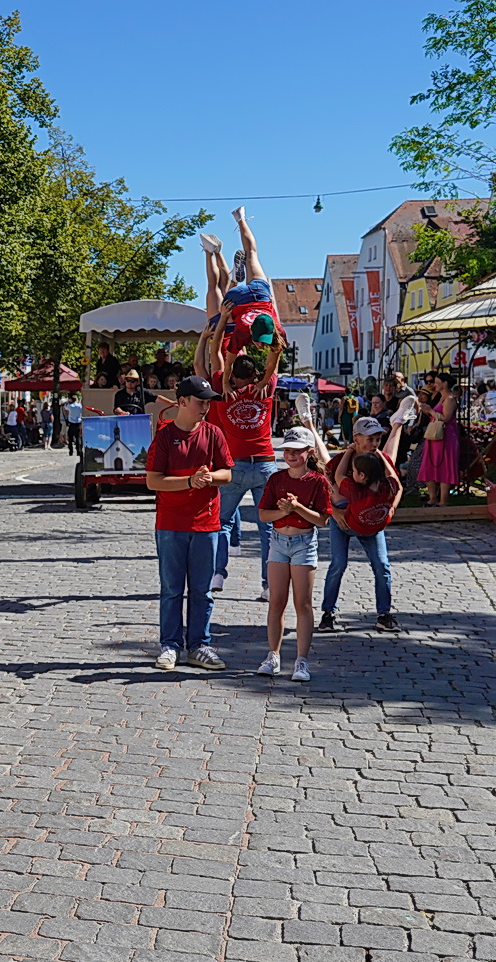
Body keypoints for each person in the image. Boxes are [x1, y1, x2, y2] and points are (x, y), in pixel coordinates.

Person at [196, 303, 287, 600]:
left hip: (234, 469)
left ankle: (218, 574)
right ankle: (267, 585)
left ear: (232, 376)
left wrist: (221, 322)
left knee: (220, 524)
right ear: (256, 374)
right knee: (267, 531)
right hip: (264, 466)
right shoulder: (264, 390)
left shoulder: (224, 392)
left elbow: (214, 357)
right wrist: (271, 329)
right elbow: (275, 356)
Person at [144, 375, 232, 672]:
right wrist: (190, 481)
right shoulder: (165, 437)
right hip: (170, 524)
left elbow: (227, 474)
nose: (206, 407)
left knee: (202, 590)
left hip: (207, 524)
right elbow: (153, 481)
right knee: (171, 589)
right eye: (200, 402)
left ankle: (199, 645)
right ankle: (170, 645)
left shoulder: (214, 434)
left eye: (208, 402)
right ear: (182, 402)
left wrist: (209, 478)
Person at [319, 418, 407, 634]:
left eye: (378, 439)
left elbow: (396, 485)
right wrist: (334, 511)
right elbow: (325, 485)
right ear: (356, 439)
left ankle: (384, 614)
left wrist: (391, 508)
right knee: (338, 564)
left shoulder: (380, 460)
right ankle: (328, 613)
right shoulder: (342, 461)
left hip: (370, 525)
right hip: (343, 522)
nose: (374, 443)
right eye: (369, 439)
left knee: (382, 566)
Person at [256, 428, 329, 683]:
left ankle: (301, 660)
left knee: (303, 603)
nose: (291, 455)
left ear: (309, 453)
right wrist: (284, 511)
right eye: (287, 450)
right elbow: (264, 515)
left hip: (304, 543)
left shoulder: (318, 481)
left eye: (297, 451)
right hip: (277, 541)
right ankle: (273, 655)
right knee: (276, 601)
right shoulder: (276, 479)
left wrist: (297, 507)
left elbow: (322, 520)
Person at [199, 208, 284, 357]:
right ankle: (210, 251)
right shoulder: (234, 355)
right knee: (214, 287)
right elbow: (215, 355)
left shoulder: (249, 342)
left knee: (251, 254)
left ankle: (240, 218)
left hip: (255, 301)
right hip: (221, 326)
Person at [416, 373, 460, 507]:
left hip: (446, 436)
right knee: (430, 464)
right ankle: (433, 497)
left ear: (445, 384)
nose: (434, 384)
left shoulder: (450, 399)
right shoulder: (441, 398)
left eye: (436, 382)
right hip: (435, 435)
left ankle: (443, 500)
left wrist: (430, 411)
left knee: (445, 465)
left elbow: (446, 418)